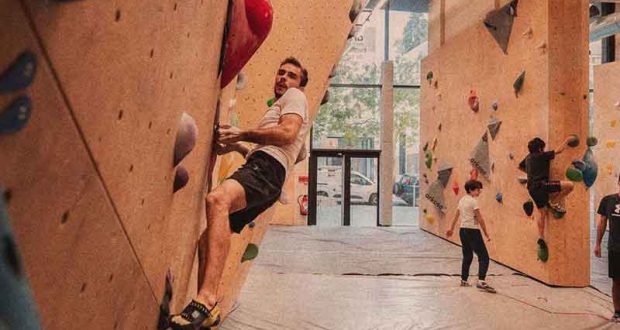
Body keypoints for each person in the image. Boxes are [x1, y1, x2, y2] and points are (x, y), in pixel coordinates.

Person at [170, 57, 310, 329]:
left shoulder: (295, 97)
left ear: (300, 85)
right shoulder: (285, 107)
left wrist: (241, 133)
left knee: (217, 199)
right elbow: (293, 151)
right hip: (266, 171)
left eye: (292, 75)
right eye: (280, 72)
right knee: (206, 241)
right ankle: (206, 315)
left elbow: (287, 134)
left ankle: (206, 298)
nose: (283, 78)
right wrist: (238, 146)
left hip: (265, 170)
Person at [518, 137, 574, 262]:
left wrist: (531, 173)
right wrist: (567, 141)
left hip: (532, 189)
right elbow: (558, 151)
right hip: (543, 185)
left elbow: (520, 167)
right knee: (570, 186)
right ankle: (553, 202)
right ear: (540, 148)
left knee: (542, 212)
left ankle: (541, 237)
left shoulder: (528, 158)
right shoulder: (541, 155)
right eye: (542, 147)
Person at [446, 180, 496, 293]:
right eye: (478, 189)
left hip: (462, 231)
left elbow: (456, 215)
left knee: (467, 255)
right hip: (473, 231)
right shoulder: (473, 202)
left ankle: (464, 280)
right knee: (484, 257)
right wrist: (486, 233)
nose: (479, 192)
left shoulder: (462, 200)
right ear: (470, 190)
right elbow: (480, 219)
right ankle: (481, 281)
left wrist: (452, 229)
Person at [594, 175, 620, 322]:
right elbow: (602, 222)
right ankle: (617, 312)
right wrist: (597, 243)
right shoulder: (608, 201)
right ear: (619, 182)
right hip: (615, 248)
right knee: (616, 281)